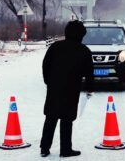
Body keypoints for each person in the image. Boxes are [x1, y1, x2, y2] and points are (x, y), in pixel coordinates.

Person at [40, 20, 94, 158]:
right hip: (71, 89)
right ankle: (65, 150)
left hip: (54, 88)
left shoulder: (55, 47)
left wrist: (48, 81)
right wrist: (89, 88)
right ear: (81, 35)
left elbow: (45, 65)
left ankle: (44, 148)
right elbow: (89, 73)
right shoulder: (84, 51)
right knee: (67, 119)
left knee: (50, 117)